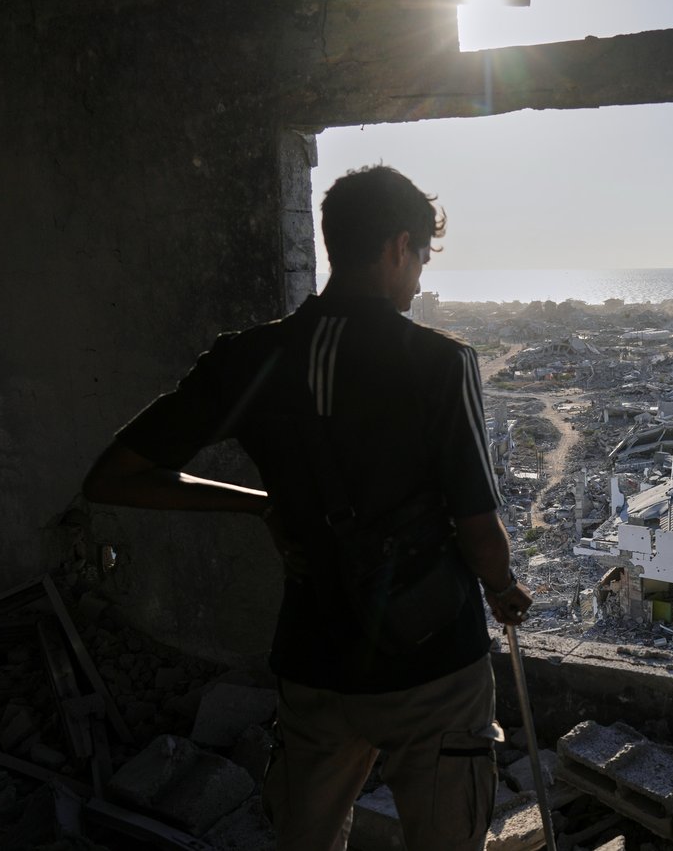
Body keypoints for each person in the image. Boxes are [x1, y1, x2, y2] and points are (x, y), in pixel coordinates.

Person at [83, 165, 532, 851]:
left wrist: (259, 504)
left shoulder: (248, 358)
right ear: (395, 247)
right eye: (421, 259)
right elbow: (478, 527)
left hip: (317, 659)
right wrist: (502, 589)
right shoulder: (439, 364)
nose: (418, 279)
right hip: (433, 663)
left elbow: (116, 475)